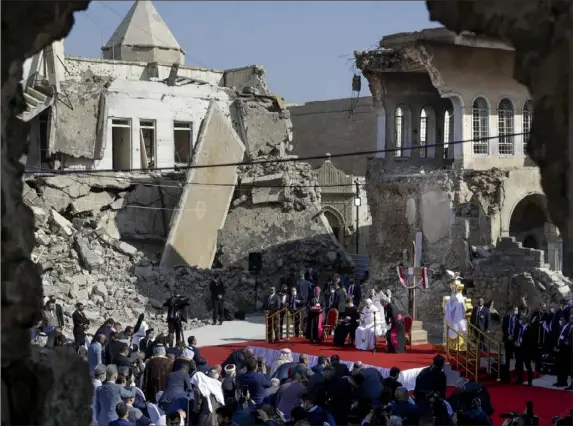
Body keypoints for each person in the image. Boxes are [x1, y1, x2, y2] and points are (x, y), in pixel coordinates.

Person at [445, 279, 468, 352]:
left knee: (459, 330)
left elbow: (466, 309)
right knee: (452, 329)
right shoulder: (450, 300)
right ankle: (451, 346)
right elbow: (447, 309)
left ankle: (460, 346)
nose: (454, 289)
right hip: (452, 320)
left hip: (458, 319)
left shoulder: (461, 299)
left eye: (456, 287)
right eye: (453, 287)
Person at [514, 315, 535, 386]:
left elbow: (529, 339)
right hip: (519, 350)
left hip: (526, 350)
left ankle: (530, 381)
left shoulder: (529, 328)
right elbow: (517, 336)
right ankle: (520, 379)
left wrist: (521, 344)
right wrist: (515, 342)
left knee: (528, 366)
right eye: (521, 319)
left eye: (522, 319)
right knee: (519, 365)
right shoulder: (519, 328)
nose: (521, 320)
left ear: (526, 320)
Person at [501, 305, 521, 383]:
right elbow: (503, 328)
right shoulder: (506, 318)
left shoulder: (517, 319)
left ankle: (518, 377)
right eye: (514, 310)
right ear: (511, 310)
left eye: (516, 310)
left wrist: (515, 338)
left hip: (515, 341)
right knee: (507, 359)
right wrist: (507, 336)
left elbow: (519, 329)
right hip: (508, 341)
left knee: (518, 359)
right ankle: (506, 378)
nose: (515, 311)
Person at [554, 314, 572, 389]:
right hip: (559, 349)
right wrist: (556, 346)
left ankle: (563, 381)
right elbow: (559, 338)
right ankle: (559, 380)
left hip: (565, 351)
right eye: (560, 320)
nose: (561, 321)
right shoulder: (561, 327)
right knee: (559, 366)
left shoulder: (568, 328)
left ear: (566, 320)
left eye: (562, 320)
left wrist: (561, 347)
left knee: (563, 366)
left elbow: (567, 340)